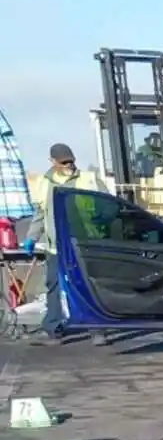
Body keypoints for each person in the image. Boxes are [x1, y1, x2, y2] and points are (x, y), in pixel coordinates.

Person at [27, 144, 99, 339]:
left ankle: (97, 328)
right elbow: (40, 213)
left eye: (71, 161)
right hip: (55, 247)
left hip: (81, 244)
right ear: (52, 162)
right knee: (54, 286)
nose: (69, 165)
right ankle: (53, 327)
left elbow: (101, 209)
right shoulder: (45, 182)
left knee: (86, 284)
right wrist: (31, 238)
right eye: (64, 162)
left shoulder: (86, 179)